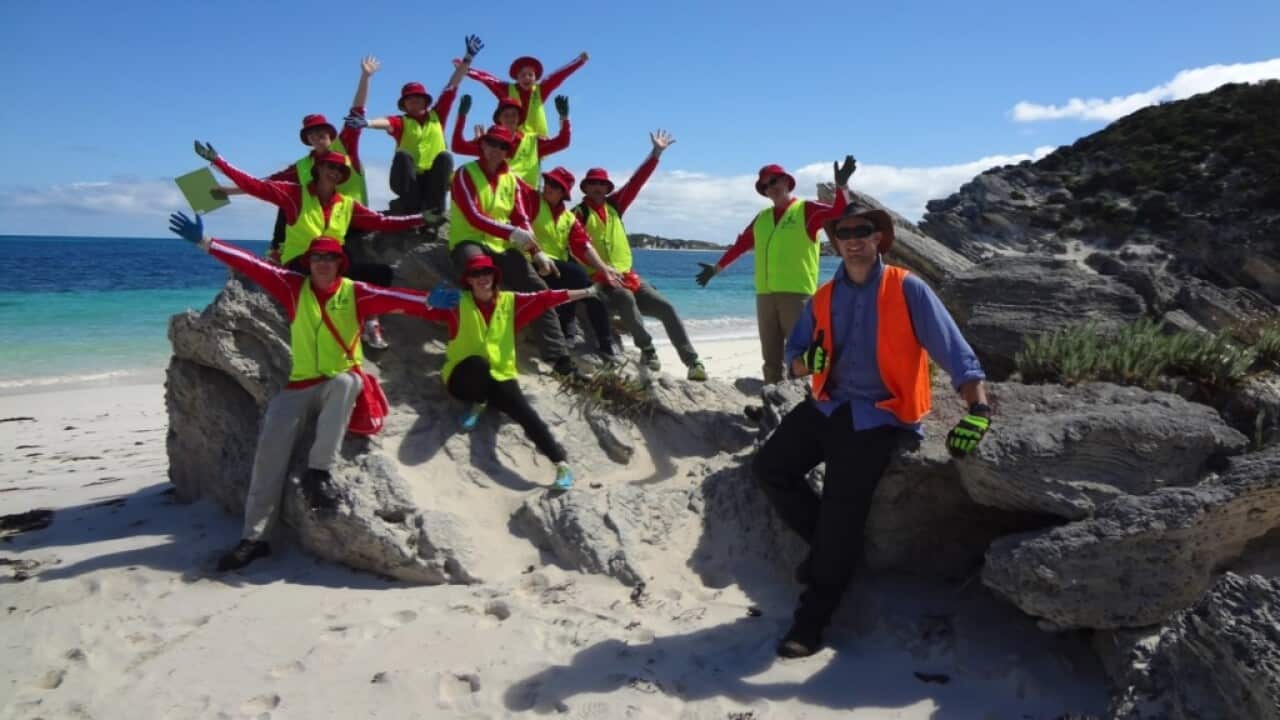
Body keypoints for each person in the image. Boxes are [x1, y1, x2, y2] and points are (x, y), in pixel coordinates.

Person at [751, 187, 992, 659]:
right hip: (828, 404)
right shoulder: (823, 297)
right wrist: (805, 364)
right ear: (835, 242)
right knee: (770, 468)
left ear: (880, 238)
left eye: (864, 230)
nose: (854, 239)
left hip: (881, 413)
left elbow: (955, 351)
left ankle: (812, 620)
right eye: (844, 233)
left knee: (842, 508)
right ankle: (830, 549)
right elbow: (794, 357)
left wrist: (978, 408)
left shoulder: (908, 288)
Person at [166, 212, 459, 573]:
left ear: (340, 263)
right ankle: (254, 539)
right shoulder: (292, 287)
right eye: (317, 257)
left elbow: (395, 297)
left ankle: (318, 471)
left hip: (339, 381)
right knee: (268, 456)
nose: (323, 263)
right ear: (309, 262)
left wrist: (429, 301)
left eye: (330, 257)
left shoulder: (355, 293)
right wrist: (205, 242)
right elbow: (252, 264)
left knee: (346, 381)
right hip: (298, 386)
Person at [195, 142, 425, 348]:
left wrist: (422, 219)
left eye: (339, 170)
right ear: (319, 168)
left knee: (382, 274)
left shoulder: (347, 204)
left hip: (333, 264)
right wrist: (219, 162)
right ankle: (350, 323)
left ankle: (370, 323)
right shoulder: (294, 194)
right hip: (300, 264)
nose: (334, 172)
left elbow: (382, 222)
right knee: (331, 281)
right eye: (330, 167)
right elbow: (255, 185)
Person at [421, 253, 599, 490]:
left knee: (525, 413)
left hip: (500, 374)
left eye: (486, 272)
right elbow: (419, 307)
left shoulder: (509, 301)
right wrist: (429, 300)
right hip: (462, 378)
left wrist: (588, 292)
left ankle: (561, 465)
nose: (482, 277)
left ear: (494, 276)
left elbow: (545, 298)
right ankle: (478, 403)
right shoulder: (457, 302)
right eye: (476, 274)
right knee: (478, 363)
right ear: (469, 280)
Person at [696, 158, 855, 384]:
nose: (770, 188)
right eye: (765, 186)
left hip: (797, 295)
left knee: (801, 356)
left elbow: (840, 211)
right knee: (770, 359)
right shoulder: (762, 218)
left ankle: (807, 400)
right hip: (765, 295)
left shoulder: (806, 210)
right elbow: (741, 245)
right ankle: (773, 398)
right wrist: (716, 268)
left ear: (787, 182)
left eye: (774, 181)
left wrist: (842, 186)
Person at [573, 130, 708, 381]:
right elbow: (573, 246)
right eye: (593, 183)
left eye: (602, 184)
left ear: (607, 188)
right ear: (586, 187)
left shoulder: (615, 206)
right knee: (625, 298)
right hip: (600, 282)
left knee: (666, 307)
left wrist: (656, 153)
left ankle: (693, 362)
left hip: (628, 277)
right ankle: (647, 349)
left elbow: (636, 181)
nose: (598, 187)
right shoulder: (578, 214)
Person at [448, 124, 580, 378]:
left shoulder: (512, 180)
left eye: (503, 146)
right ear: (482, 144)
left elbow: (521, 217)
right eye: (492, 143)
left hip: (503, 245)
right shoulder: (465, 173)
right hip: (469, 241)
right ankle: (476, 349)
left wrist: (535, 251)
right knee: (480, 279)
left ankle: (559, 358)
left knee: (539, 289)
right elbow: (473, 216)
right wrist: (513, 234)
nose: (497, 149)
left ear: (508, 152)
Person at [213, 55, 381, 250]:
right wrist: (230, 191)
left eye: (321, 132)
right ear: (308, 140)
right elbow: (265, 185)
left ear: (330, 134)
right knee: (287, 198)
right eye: (312, 134)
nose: (317, 136)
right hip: (320, 224)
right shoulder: (302, 166)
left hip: (352, 219)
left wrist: (365, 77)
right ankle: (277, 251)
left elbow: (357, 111)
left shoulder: (345, 146)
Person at [355, 35, 483, 217]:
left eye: (418, 98)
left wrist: (468, 58)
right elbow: (385, 122)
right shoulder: (401, 122)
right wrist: (367, 122)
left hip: (434, 182)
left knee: (445, 157)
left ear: (425, 101)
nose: (414, 101)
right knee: (403, 157)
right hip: (409, 182)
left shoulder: (437, 115)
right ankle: (412, 209)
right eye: (410, 99)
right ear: (404, 104)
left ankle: (435, 212)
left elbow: (453, 84)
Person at [528, 166, 622, 361]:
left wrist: (604, 269)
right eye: (548, 182)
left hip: (556, 269)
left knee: (594, 295)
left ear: (563, 192)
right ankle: (566, 332)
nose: (548, 187)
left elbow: (584, 245)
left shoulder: (569, 218)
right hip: (533, 261)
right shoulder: (533, 203)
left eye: (555, 185)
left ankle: (606, 346)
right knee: (577, 274)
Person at [451, 94, 571, 186]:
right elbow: (458, 147)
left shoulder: (533, 141)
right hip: (499, 198)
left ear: (519, 118)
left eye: (514, 115)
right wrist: (461, 116)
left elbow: (563, 142)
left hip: (527, 200)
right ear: (499, 119)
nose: (510, 118)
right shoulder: (489, 142)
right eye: (506, 115)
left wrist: (564, 118)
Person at [462, 52, 587, 137]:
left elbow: (559, 75)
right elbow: (487, 79)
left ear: (535, 78)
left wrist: (579, 61)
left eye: (530, 75)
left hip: (536, 143)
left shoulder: (541, 90)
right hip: (511, 142)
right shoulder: (506, 89)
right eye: (523, 75)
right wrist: (465, 69)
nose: (527, 78)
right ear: (517, 78)